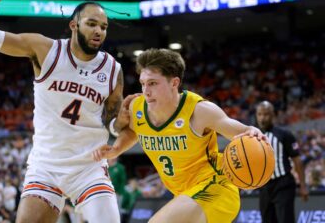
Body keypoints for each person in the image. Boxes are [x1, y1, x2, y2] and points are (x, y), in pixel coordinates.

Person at [0, 0, 138, 222]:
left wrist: (118, 122)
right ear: (73, 25)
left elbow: (110, 120)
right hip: (46, 165)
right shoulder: (46, 49)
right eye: (91, 24)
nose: (98, 30)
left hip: (88, 167)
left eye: (104, 26)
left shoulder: (112, 68)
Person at [93, 48, 269, 223]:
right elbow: (133, 131)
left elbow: (241, 131)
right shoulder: (137, 107)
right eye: (143, 83)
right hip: (184, 195)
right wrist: (116, 149)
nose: (146, 91)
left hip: (215, 189)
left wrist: (252, 131)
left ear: (174, 83)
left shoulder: (199, 111)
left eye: (153, 83)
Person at [255, 101, 308, 223]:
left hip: (283, 183)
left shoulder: (284, 134)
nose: (262, 118)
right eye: (260, 114)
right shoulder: (252, 136)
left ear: (273, 115)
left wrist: (303, 186)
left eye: (266, 114)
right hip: (264, 186)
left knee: (285, 220)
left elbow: (297, 160)